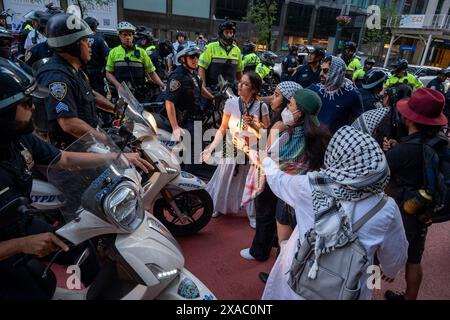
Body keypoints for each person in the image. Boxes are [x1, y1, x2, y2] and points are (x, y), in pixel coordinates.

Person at [0, 57, 151, 300]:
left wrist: (117, 157)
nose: (34, 107)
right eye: (26, 103)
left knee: (83, 252)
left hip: (18, 224)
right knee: (36, 288)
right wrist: (21, 245)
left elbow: (65, 159)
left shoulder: (19, 139)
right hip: (8, 245)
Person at [259, 125, 408, 300]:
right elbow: (396, 255)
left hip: (301, 279)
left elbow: (278, 180)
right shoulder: (386, 208)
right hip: (350, 289)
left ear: (335, 158)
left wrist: (265, 159)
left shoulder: (310, 186)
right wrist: (389, 270)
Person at [239, 87, 331, 263]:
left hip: (289, 199)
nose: (286, 106)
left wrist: (246, 147)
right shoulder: (318, 134)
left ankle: (282, 276)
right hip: (301, 199)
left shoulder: (291, 135)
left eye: (290, 103)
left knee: (286, 244)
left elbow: (269, 161)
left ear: (299, 113)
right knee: (293, 243)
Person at [383, 88, 448, 300]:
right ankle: (410, 297)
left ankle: (368, 292)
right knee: (414, 259)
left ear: (410, 119)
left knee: (374, 257)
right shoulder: (438, 143)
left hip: (398, 213)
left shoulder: (403, 152)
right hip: (422, 212)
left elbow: (382, 171)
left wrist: (391, 151)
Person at [36, 14, 116, 149]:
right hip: (72, 151)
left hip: (86, 141)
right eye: (85, 40)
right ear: (73, 45)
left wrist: (117, 110)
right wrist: (106, 140)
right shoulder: (57, 78)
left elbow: (91, 95)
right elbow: (69, 124)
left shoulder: (75, 69)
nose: (89, 46)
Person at [201, 71, 270, 228]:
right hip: (232, 147)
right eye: (240, 82)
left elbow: (267, 132)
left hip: (252, 149)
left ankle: (251, 214)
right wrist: (211, 147)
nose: (239, 86)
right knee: (223, 178)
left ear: (254, 89)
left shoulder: (261, 107)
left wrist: (256, 125)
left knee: (250, 182)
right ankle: (216, 206)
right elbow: (223, 128)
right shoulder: (231, 103)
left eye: (245, 84)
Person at [164, 43, 215, 173]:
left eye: (197, 57)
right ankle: (188, 184)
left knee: (194, 154)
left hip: (196, 119)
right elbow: (169, 102)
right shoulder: (178, 76)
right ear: (183, 59)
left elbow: (201, 89)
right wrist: (175, 127)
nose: (195, 60)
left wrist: (213, 98)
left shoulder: (193, 74)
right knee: (191, 157)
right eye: (192, 57)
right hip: (188, 122)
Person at [106, 21, 165, 103]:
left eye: (130, 35)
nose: (128, 37)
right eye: (125, 35)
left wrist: (162, 85)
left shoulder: (142, 52)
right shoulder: (113, 52)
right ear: (119, 36)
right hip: (121, 95)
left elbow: (151, 72)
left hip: (139, 95)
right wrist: (117, 84)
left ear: (133, 36)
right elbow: (108, 73)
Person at [308, 55, 363, 134]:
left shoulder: (352, 95)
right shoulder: (315, 89)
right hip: (312, 138)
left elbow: (359, 121)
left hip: (334, 142)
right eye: (321, 70)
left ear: (337, 72)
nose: (321, 74)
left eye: (325, 71)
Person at [198, 19, 243, 90]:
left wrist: (242, 88)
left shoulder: (237, 50)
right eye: (227, 32)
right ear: (221, 33)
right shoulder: (211, 47)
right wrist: (203, 87)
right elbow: (202, 68)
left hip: (231, 91)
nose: (229, 35)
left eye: (231, 33)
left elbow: (239, 72)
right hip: (212, 89)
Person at [84, 17, 110, 97]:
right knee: (100, 95)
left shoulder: (81, 39)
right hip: (96, 74)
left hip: (82, 72)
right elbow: (107, 57)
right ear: (95, 27)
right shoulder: (99, 39)